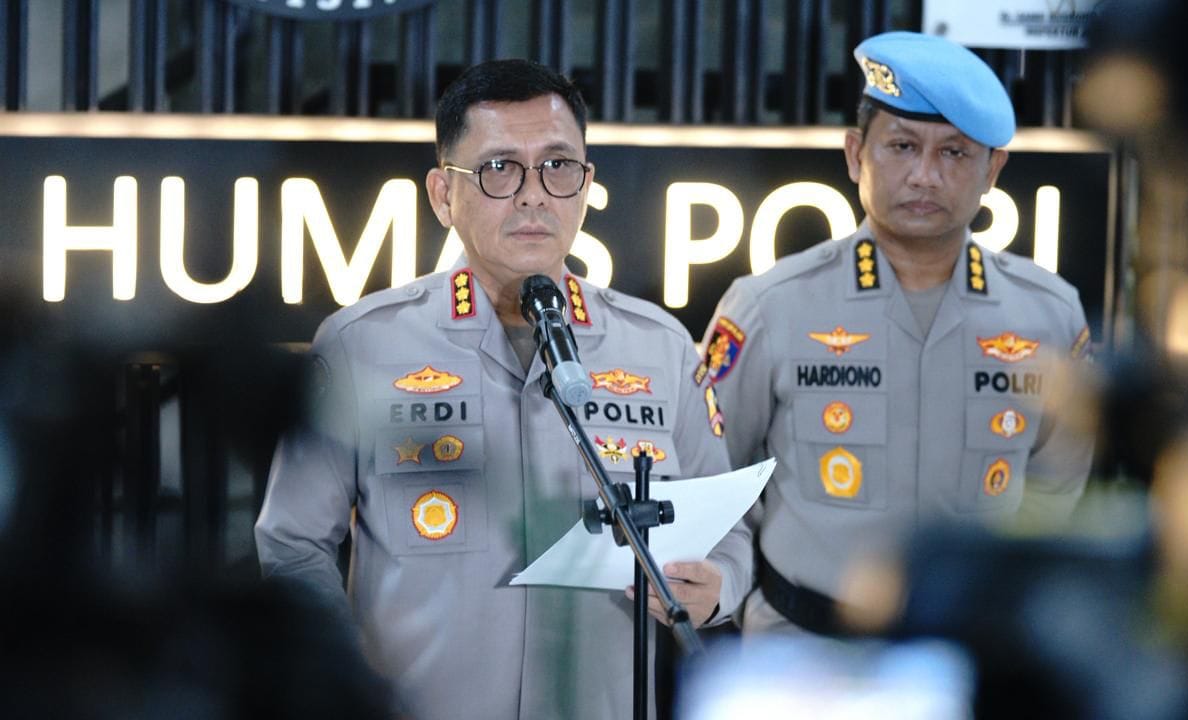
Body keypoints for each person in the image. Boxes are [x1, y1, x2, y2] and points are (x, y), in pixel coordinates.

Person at [255, 59, 751, 718]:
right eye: (498, 168)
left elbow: (730, 533)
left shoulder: (658, 347)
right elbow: (293, 545)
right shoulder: (362, 345)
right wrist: (340, 678)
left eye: (557, 166)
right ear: (443, 194)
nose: (533, 195)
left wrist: (717, 587)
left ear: (586, 184)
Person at [699, 31, 1095, 636]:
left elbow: (1058, 495)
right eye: (903, 146)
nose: (925, 176)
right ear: (856, 153)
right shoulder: (769, 306)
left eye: (955, 153)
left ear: (993, 169)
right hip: (803, 647)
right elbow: (710, 481)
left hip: (976, 650)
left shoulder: (1050, 315)